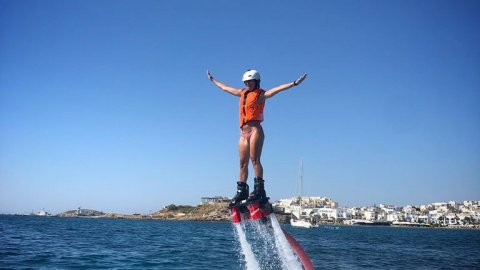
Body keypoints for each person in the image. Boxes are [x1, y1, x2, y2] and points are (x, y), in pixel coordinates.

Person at [207, 69, 307, 206]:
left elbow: (277, 89)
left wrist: (294, 83)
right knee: (242, 164)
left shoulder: (261, 95)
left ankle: (259, 190)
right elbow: (225, 88)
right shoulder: (241, 93)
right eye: (245, 82)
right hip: (243, 133)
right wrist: (213, 80)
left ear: (256, 81)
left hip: (255, 130)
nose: (247, 83)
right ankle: (242, 190)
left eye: (250, 81)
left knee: (255, 160)